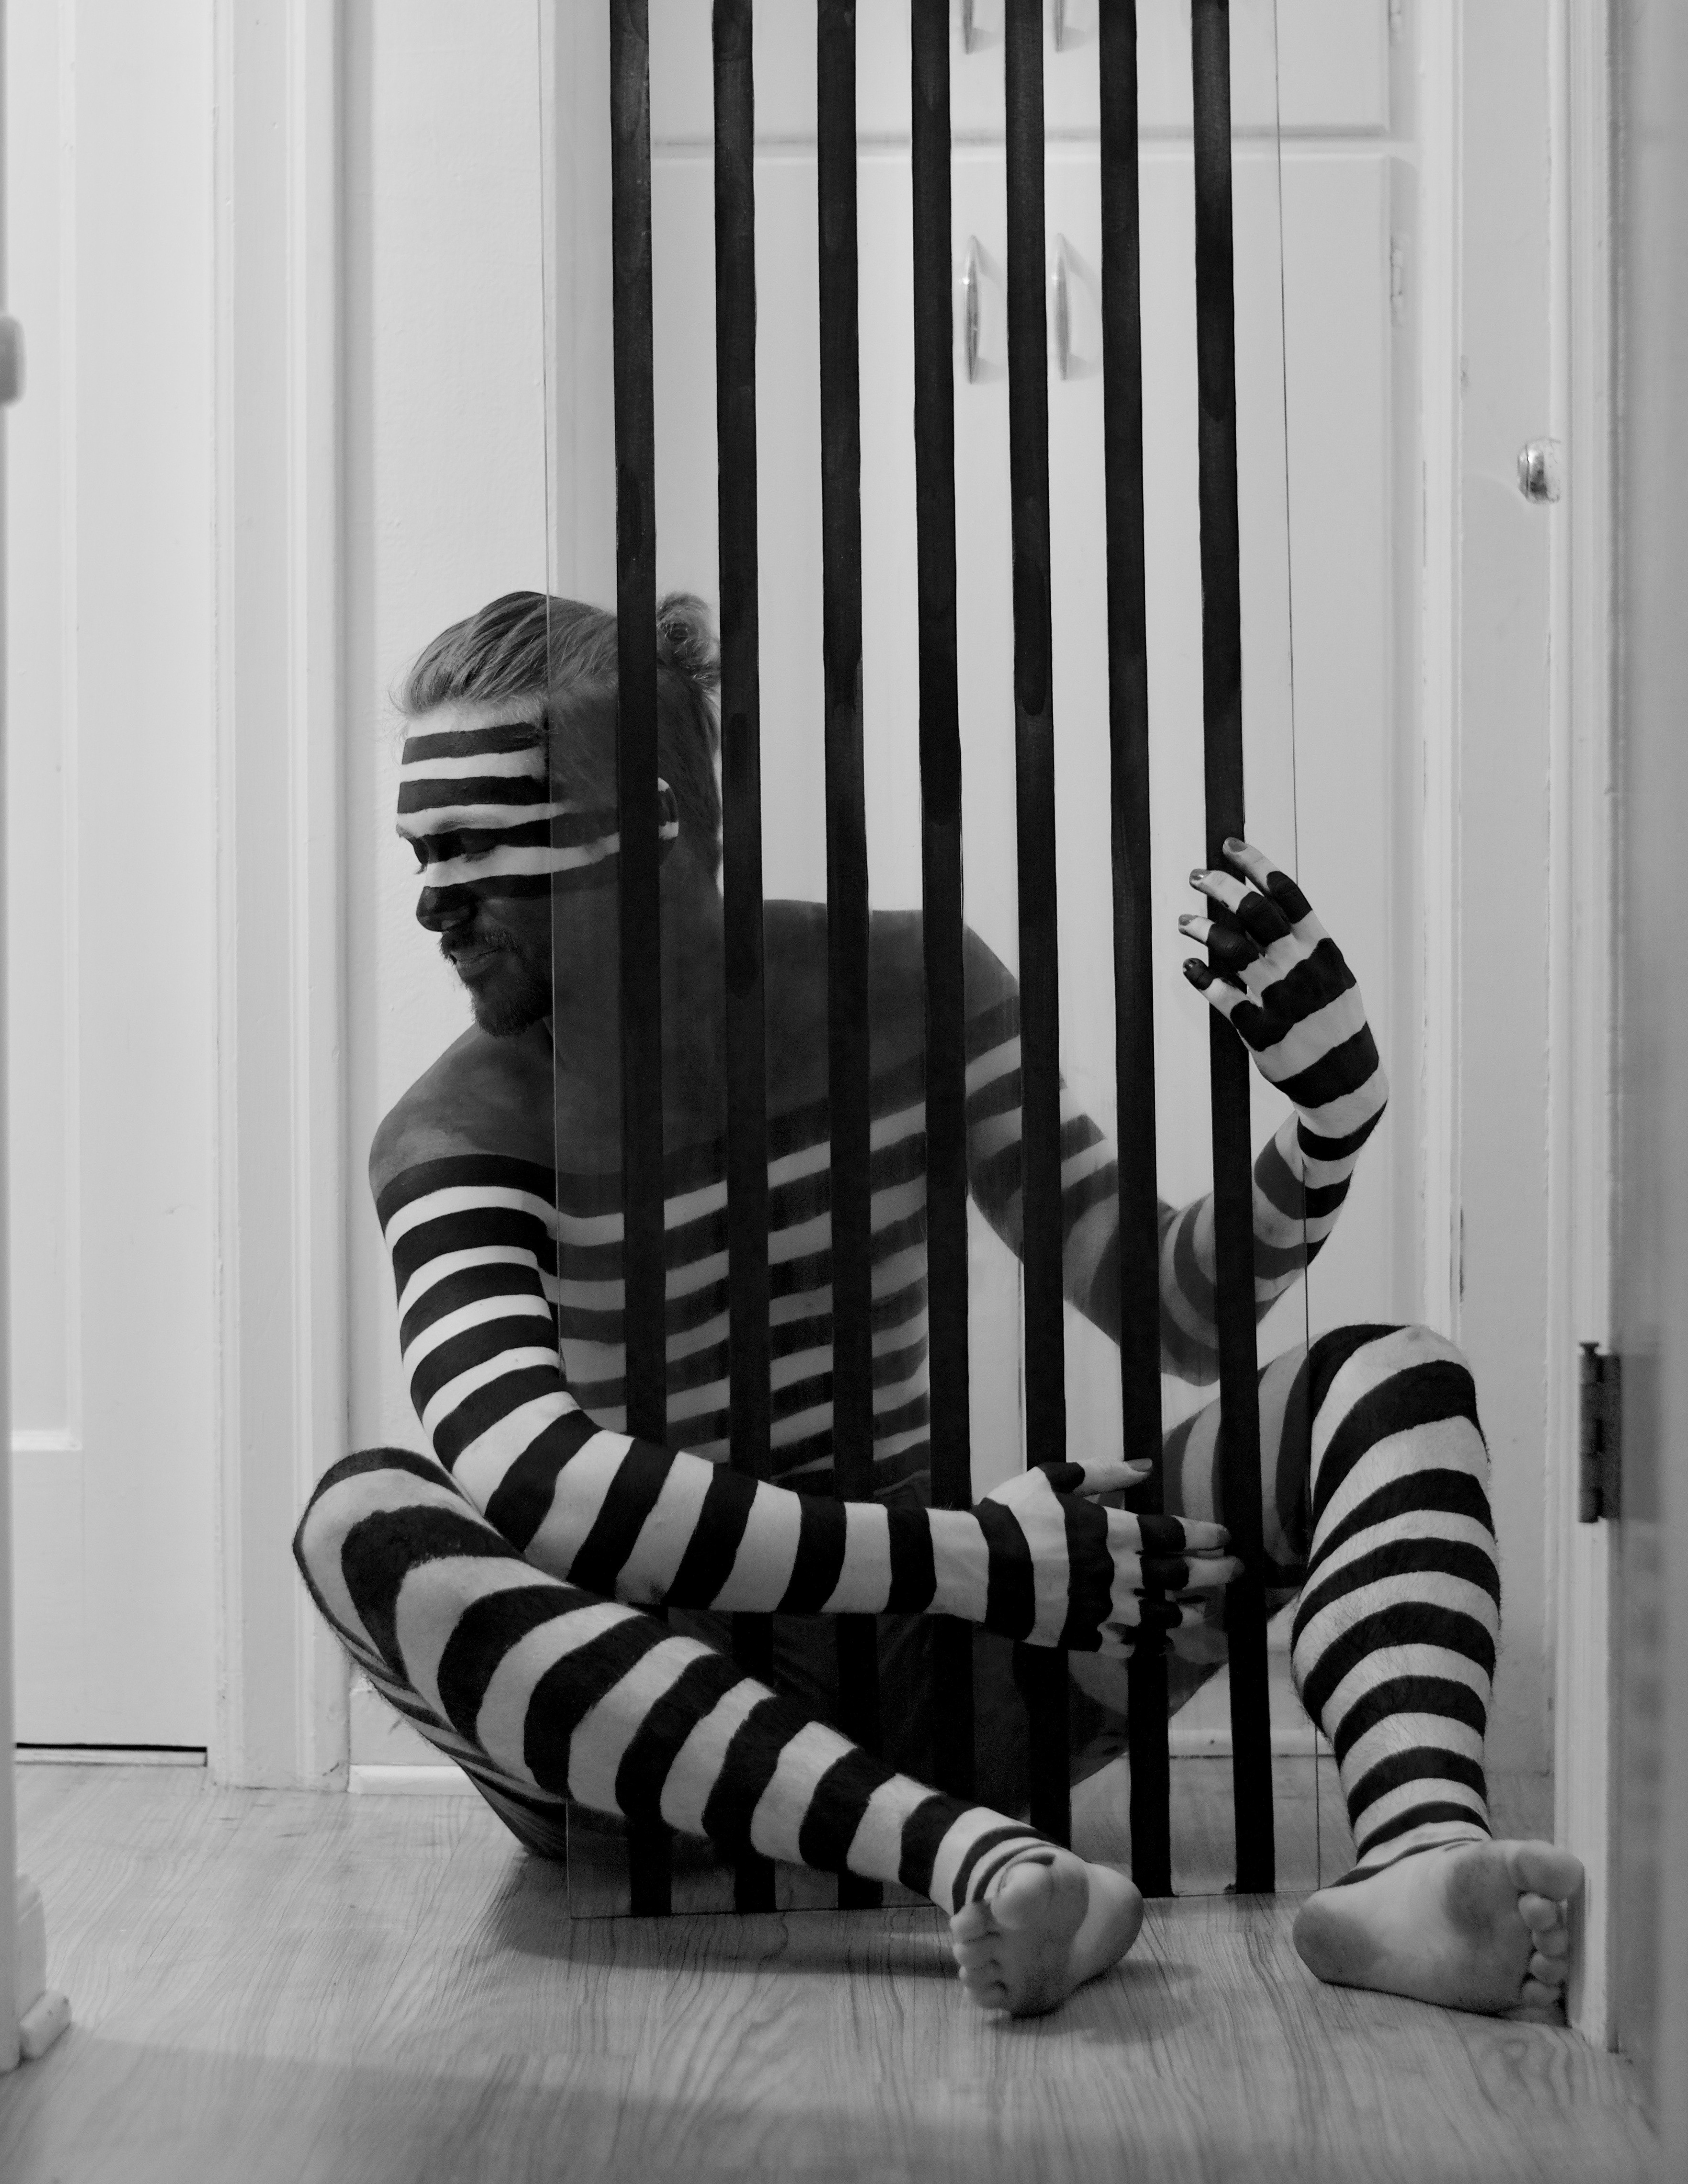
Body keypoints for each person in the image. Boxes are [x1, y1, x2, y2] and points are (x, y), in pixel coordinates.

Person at [295, 589, 1580, 2021]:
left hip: (944, 1685)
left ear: (662, 825)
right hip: (649, 1739)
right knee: (361, 1521)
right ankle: (973, 1862)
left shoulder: (909, 985)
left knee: (1386, 1383)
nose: (434, 902)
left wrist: (1326, 1132)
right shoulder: (457, 1130)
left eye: (480, 845)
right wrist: (971, 1558)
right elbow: (534, 1478)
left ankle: (1422, 1856)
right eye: (425, 852)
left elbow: (1170, 1310)